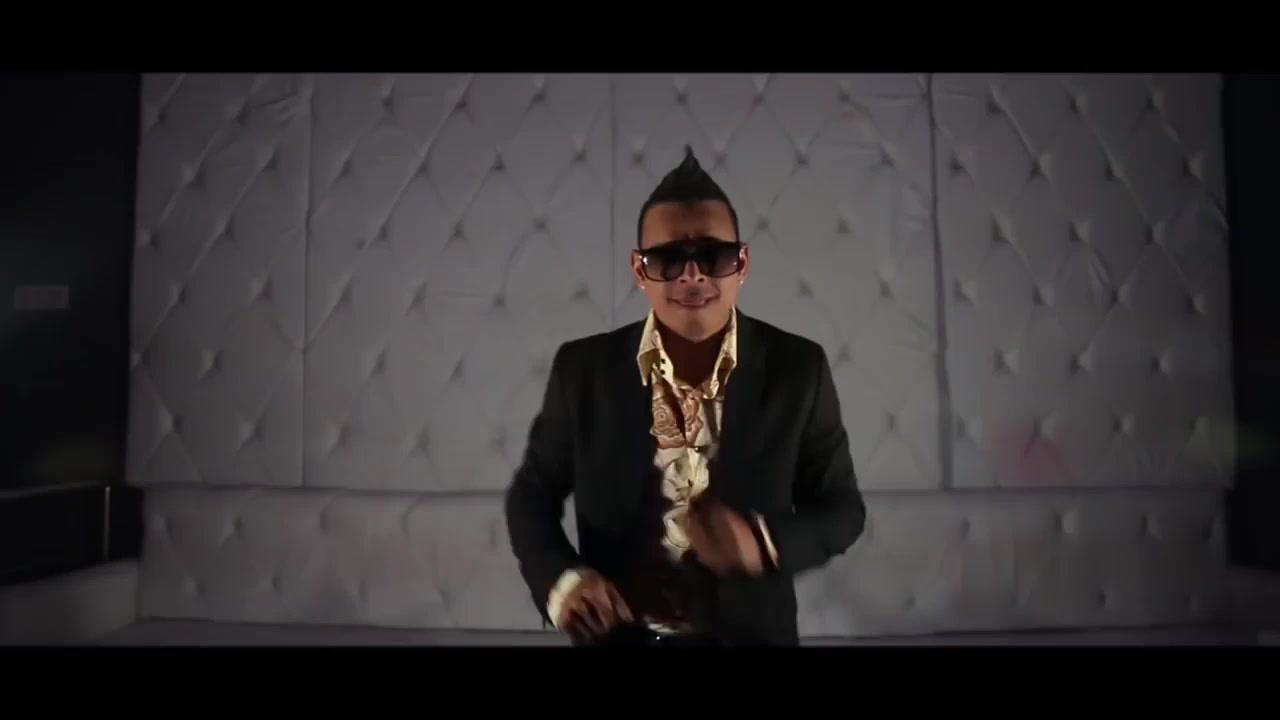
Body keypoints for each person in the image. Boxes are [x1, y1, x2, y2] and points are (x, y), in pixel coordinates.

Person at [504, 145, 866, 647]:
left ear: (742, 263)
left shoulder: (799, 368)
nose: (692, 275)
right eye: (668, 259)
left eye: (713, 256)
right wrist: (561, 582)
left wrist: (763, 543)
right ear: (639, 271)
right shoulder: (581, 370)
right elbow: (531, 496)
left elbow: (844, 510)